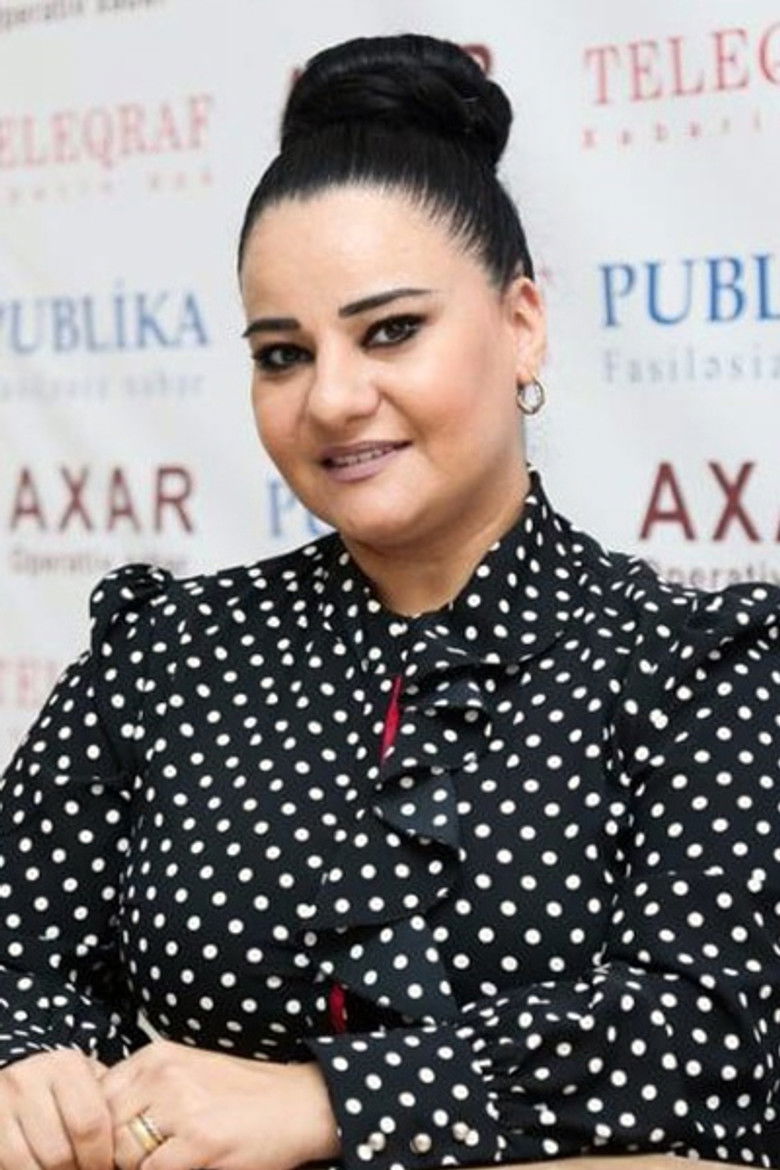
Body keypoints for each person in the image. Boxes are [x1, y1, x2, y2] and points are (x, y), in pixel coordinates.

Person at [0, 31, 777, 1170]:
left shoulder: (695, 668)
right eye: (282, 354)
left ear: (522, 324)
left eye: (392, 331)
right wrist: (32, 1065)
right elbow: (18, 953)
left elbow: (711, 1038)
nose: (332, 398)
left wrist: (324, 1102)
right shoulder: (166, 655)